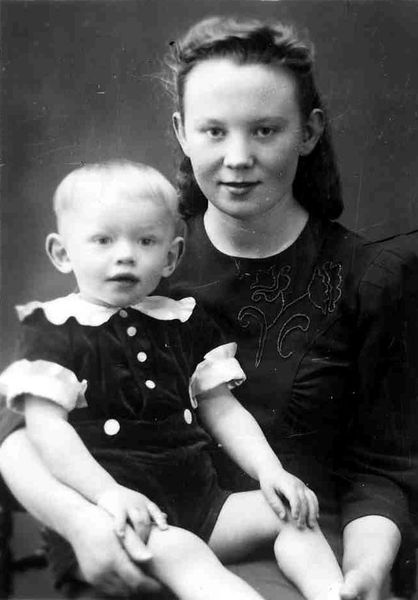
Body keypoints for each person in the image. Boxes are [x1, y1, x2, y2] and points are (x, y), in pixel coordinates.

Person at [0, 15, 416, 600]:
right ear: (182, 132)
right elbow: (22, 431)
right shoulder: (137, 259)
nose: (238, 157)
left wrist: (366, 570)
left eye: (265, 130)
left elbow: (383, 466)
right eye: (214, 131)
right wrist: (81, 523)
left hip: (300, 534)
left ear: (308, 132)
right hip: (134, 529)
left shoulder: (370, 277)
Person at [0, 159, 345, 600]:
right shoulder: (54, 330)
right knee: (186, 554)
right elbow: (47, 430)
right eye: (103, 240)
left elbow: (223, 409)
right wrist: (108, 495)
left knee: (290, 514)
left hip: (202, 505)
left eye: (145, 240)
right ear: (62, 253)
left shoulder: (182, 321)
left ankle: (334, 593)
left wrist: (269, 471)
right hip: (116, 514)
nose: (125, 254)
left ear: (170, 257)